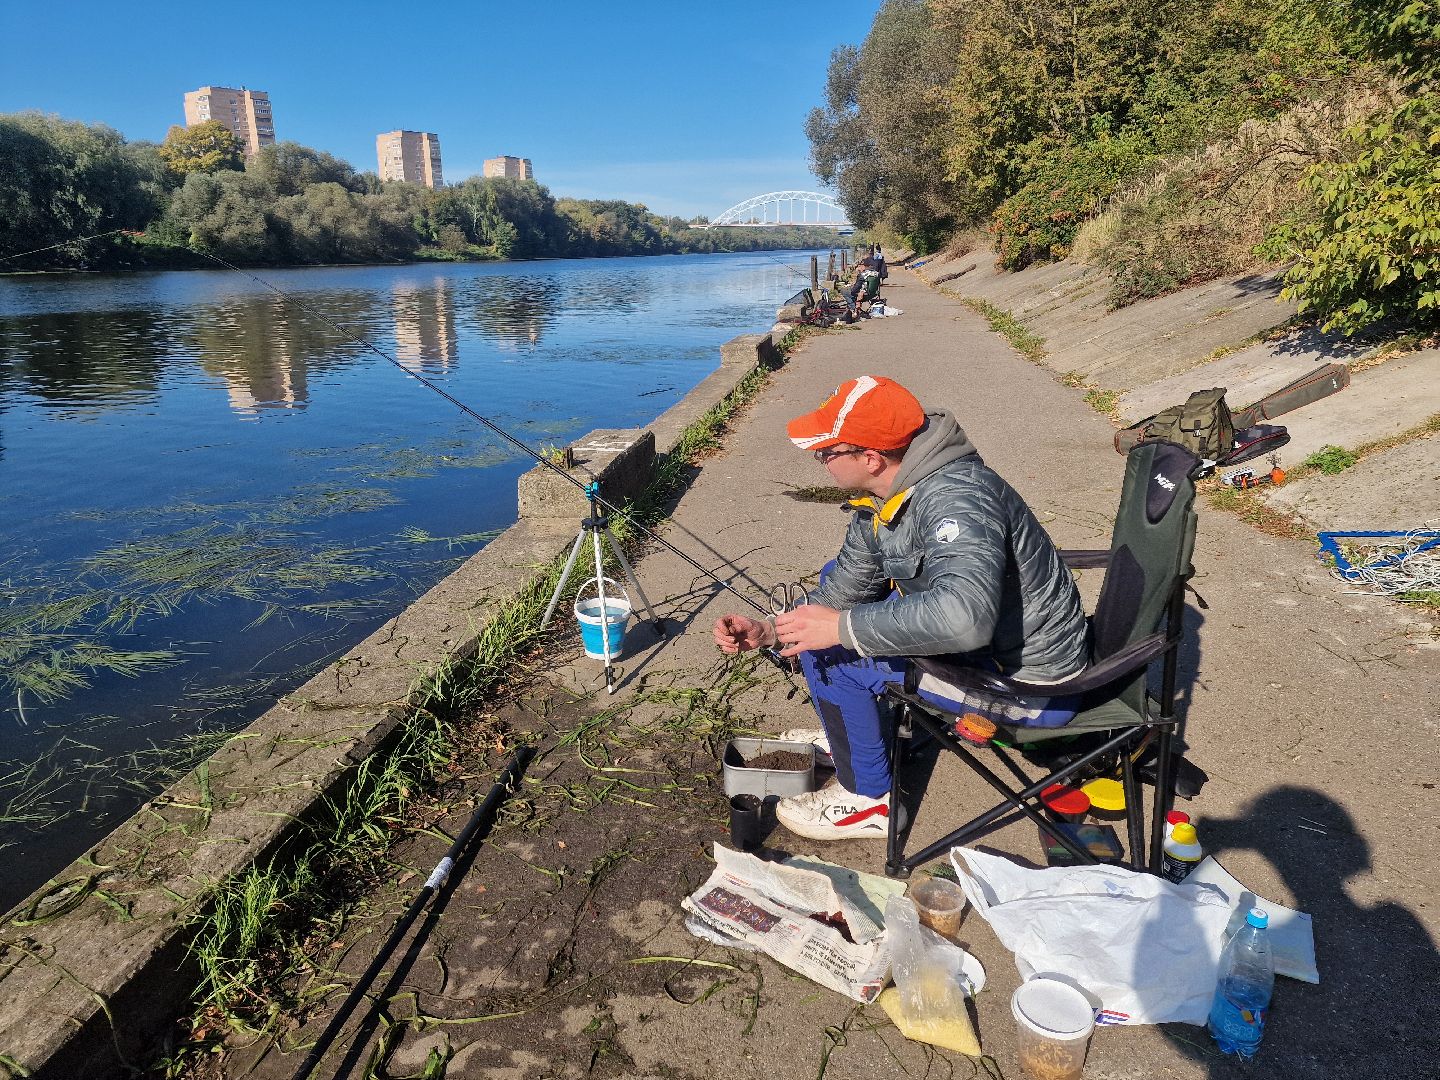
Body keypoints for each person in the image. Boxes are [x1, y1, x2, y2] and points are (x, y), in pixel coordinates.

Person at [713, 376, 1088, 840]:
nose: (822, 463)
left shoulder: (957, 498)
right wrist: (771, 631)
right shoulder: (888, 492)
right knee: (832, 591)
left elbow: (964, 616)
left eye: (828, 453)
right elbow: (845, 589)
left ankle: (868, 799)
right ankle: (856, 737)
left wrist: (842, 629)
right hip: (988, 649)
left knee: (834, 656)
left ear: (870, 457)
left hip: (1027, 686)